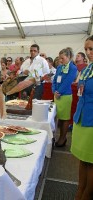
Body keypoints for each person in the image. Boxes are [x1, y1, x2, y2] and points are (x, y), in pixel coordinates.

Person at [71, 35, 93, 200]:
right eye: (86, 49)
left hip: (92, 121)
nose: (88, 52)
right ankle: (80, 190)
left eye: (91, 49)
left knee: (91, 162)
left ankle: (86, 194)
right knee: (82, 159)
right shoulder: (86, 69)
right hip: (81, 118)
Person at [52, 47, 77, 147]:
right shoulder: (59, 67)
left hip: (65, 96)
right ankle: (56, 136)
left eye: (62, 58)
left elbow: (68, 82)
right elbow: (54, 81)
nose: (60, 60)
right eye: (59, 58)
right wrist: (54, 91)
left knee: (65, 118)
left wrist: (59, 92)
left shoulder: (73, 68)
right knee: (57, 118)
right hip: (57, 95)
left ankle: (63, 138)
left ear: (69, 57)